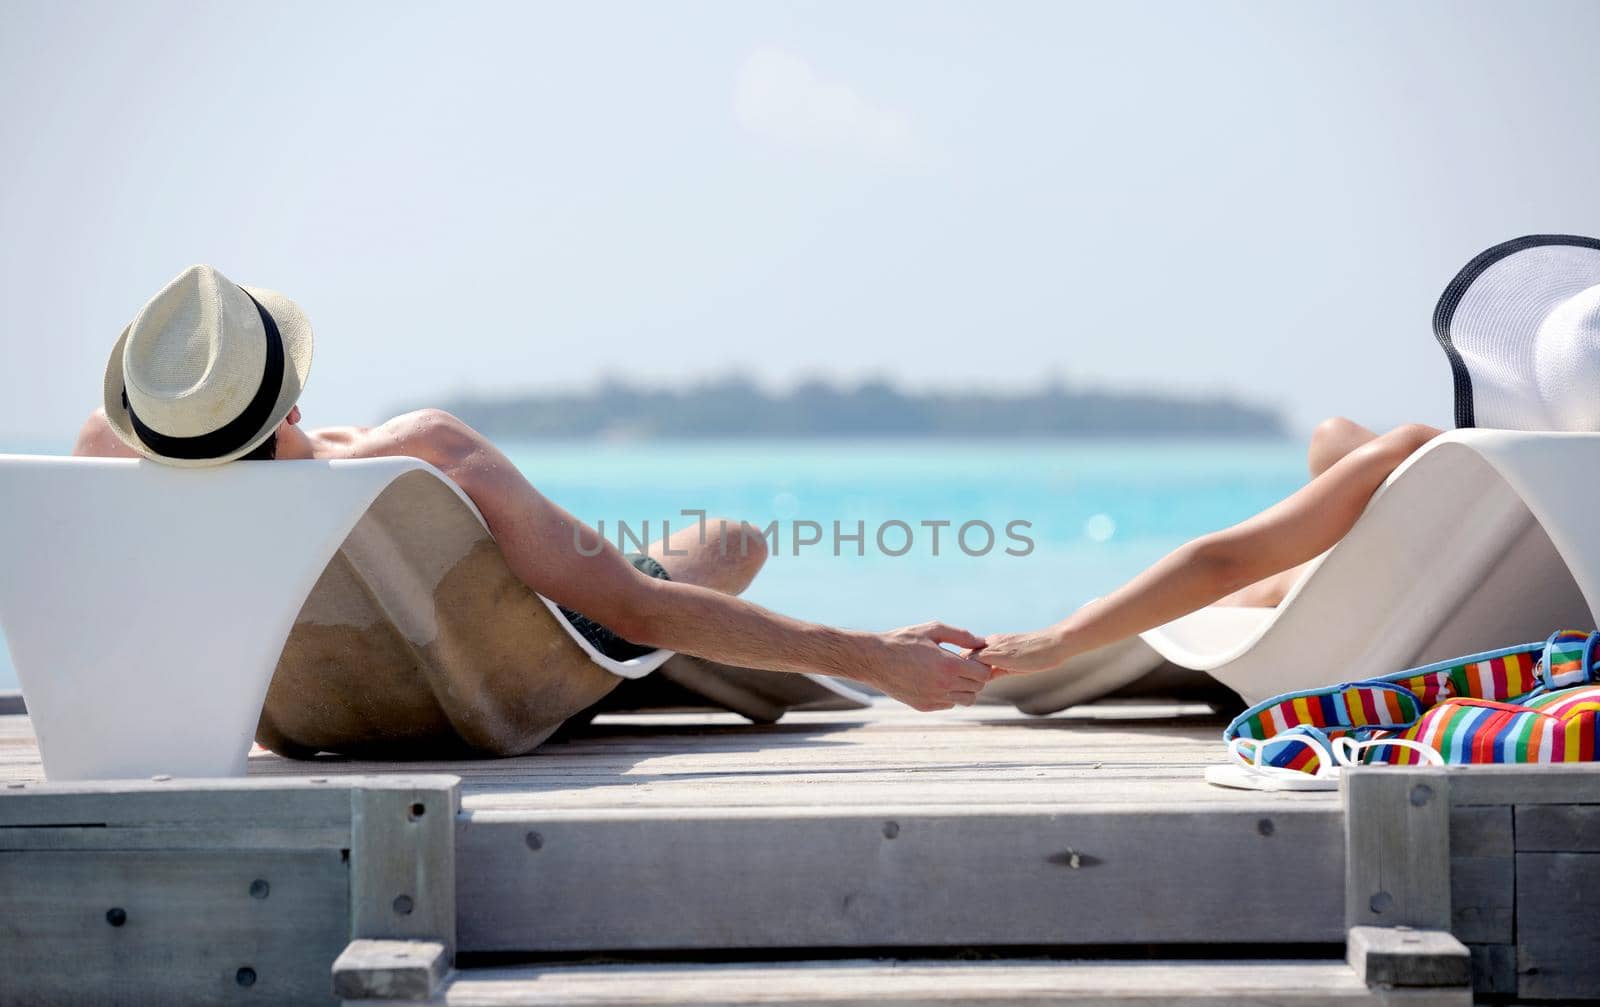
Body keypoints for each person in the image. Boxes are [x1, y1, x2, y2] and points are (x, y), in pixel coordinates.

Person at [76, 265, 991, 713]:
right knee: (730, 541)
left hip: (301, 719)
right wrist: (875, 654)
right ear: (290, 394)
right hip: (498, 696)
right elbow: (636, 611)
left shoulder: (105, 461)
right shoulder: (424, 451)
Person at [975, 418, 1442, 675]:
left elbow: (1224, 563)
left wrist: (1060, 639)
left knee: (1272, 580)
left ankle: (1125, 618)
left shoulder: (1431, 452)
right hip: (1461, 604)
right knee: (1333, 438)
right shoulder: (1498, 465)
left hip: (1387, 638)